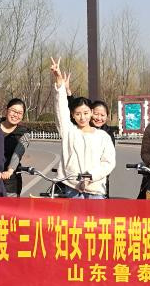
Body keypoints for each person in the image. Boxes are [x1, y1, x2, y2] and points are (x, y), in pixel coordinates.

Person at [49, 58, 116, 198]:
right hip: (72, 188)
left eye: (85, 113)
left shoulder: (103, 136)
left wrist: (91, 176)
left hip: (96, 190)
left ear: (91, 112)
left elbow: (108, 162)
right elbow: (60, 109)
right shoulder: (69, 131)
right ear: (72, 115)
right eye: (78, 114)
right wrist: (59, 80)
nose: (82, 117)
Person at [0, 98, 30, 197]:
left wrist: (10, 170)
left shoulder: (23, 133)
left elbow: (18, 152)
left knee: (9, 206)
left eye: (20, 113)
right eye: (13, 111)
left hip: (10, 181)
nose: (16, 115)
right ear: (6, 110)